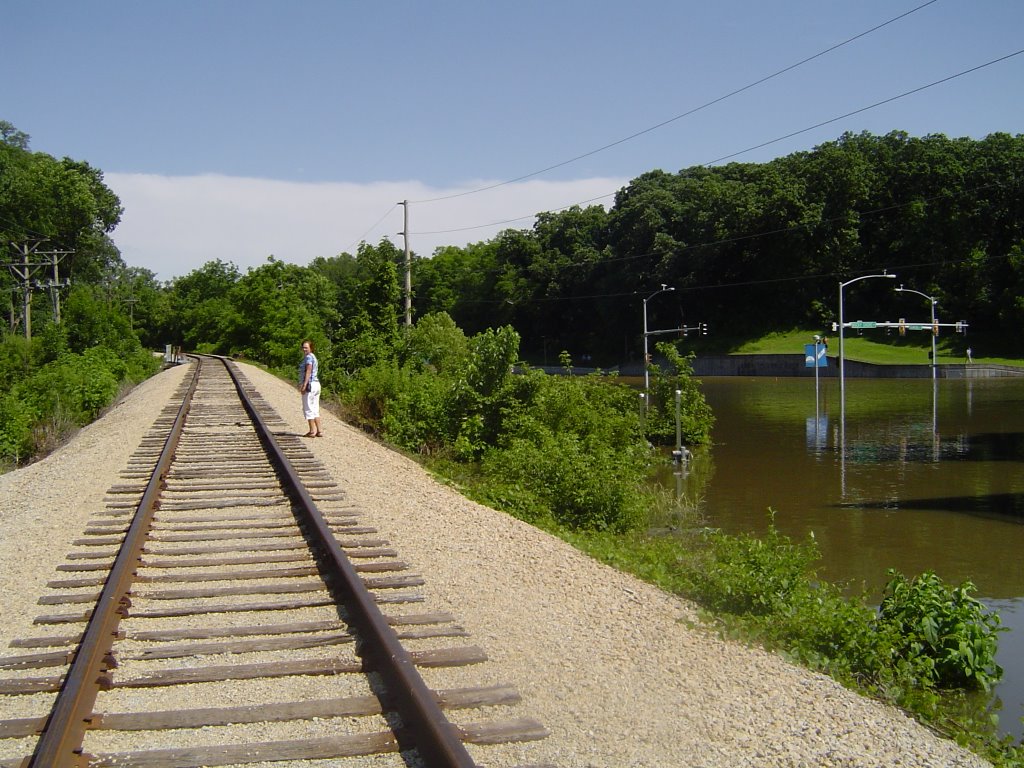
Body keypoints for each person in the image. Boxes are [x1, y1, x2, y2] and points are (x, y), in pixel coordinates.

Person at [298, 339, 322, 437]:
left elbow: (308, 370)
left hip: (310, 385)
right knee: (315, 408)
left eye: (306, 347)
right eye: (303, 347)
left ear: (311, 348)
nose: (304, 349)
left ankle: (312, 431)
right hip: (316, 384)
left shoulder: (308, 358)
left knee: (308, 408)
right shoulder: (314, 357)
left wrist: (304, 385)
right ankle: (319, 431)